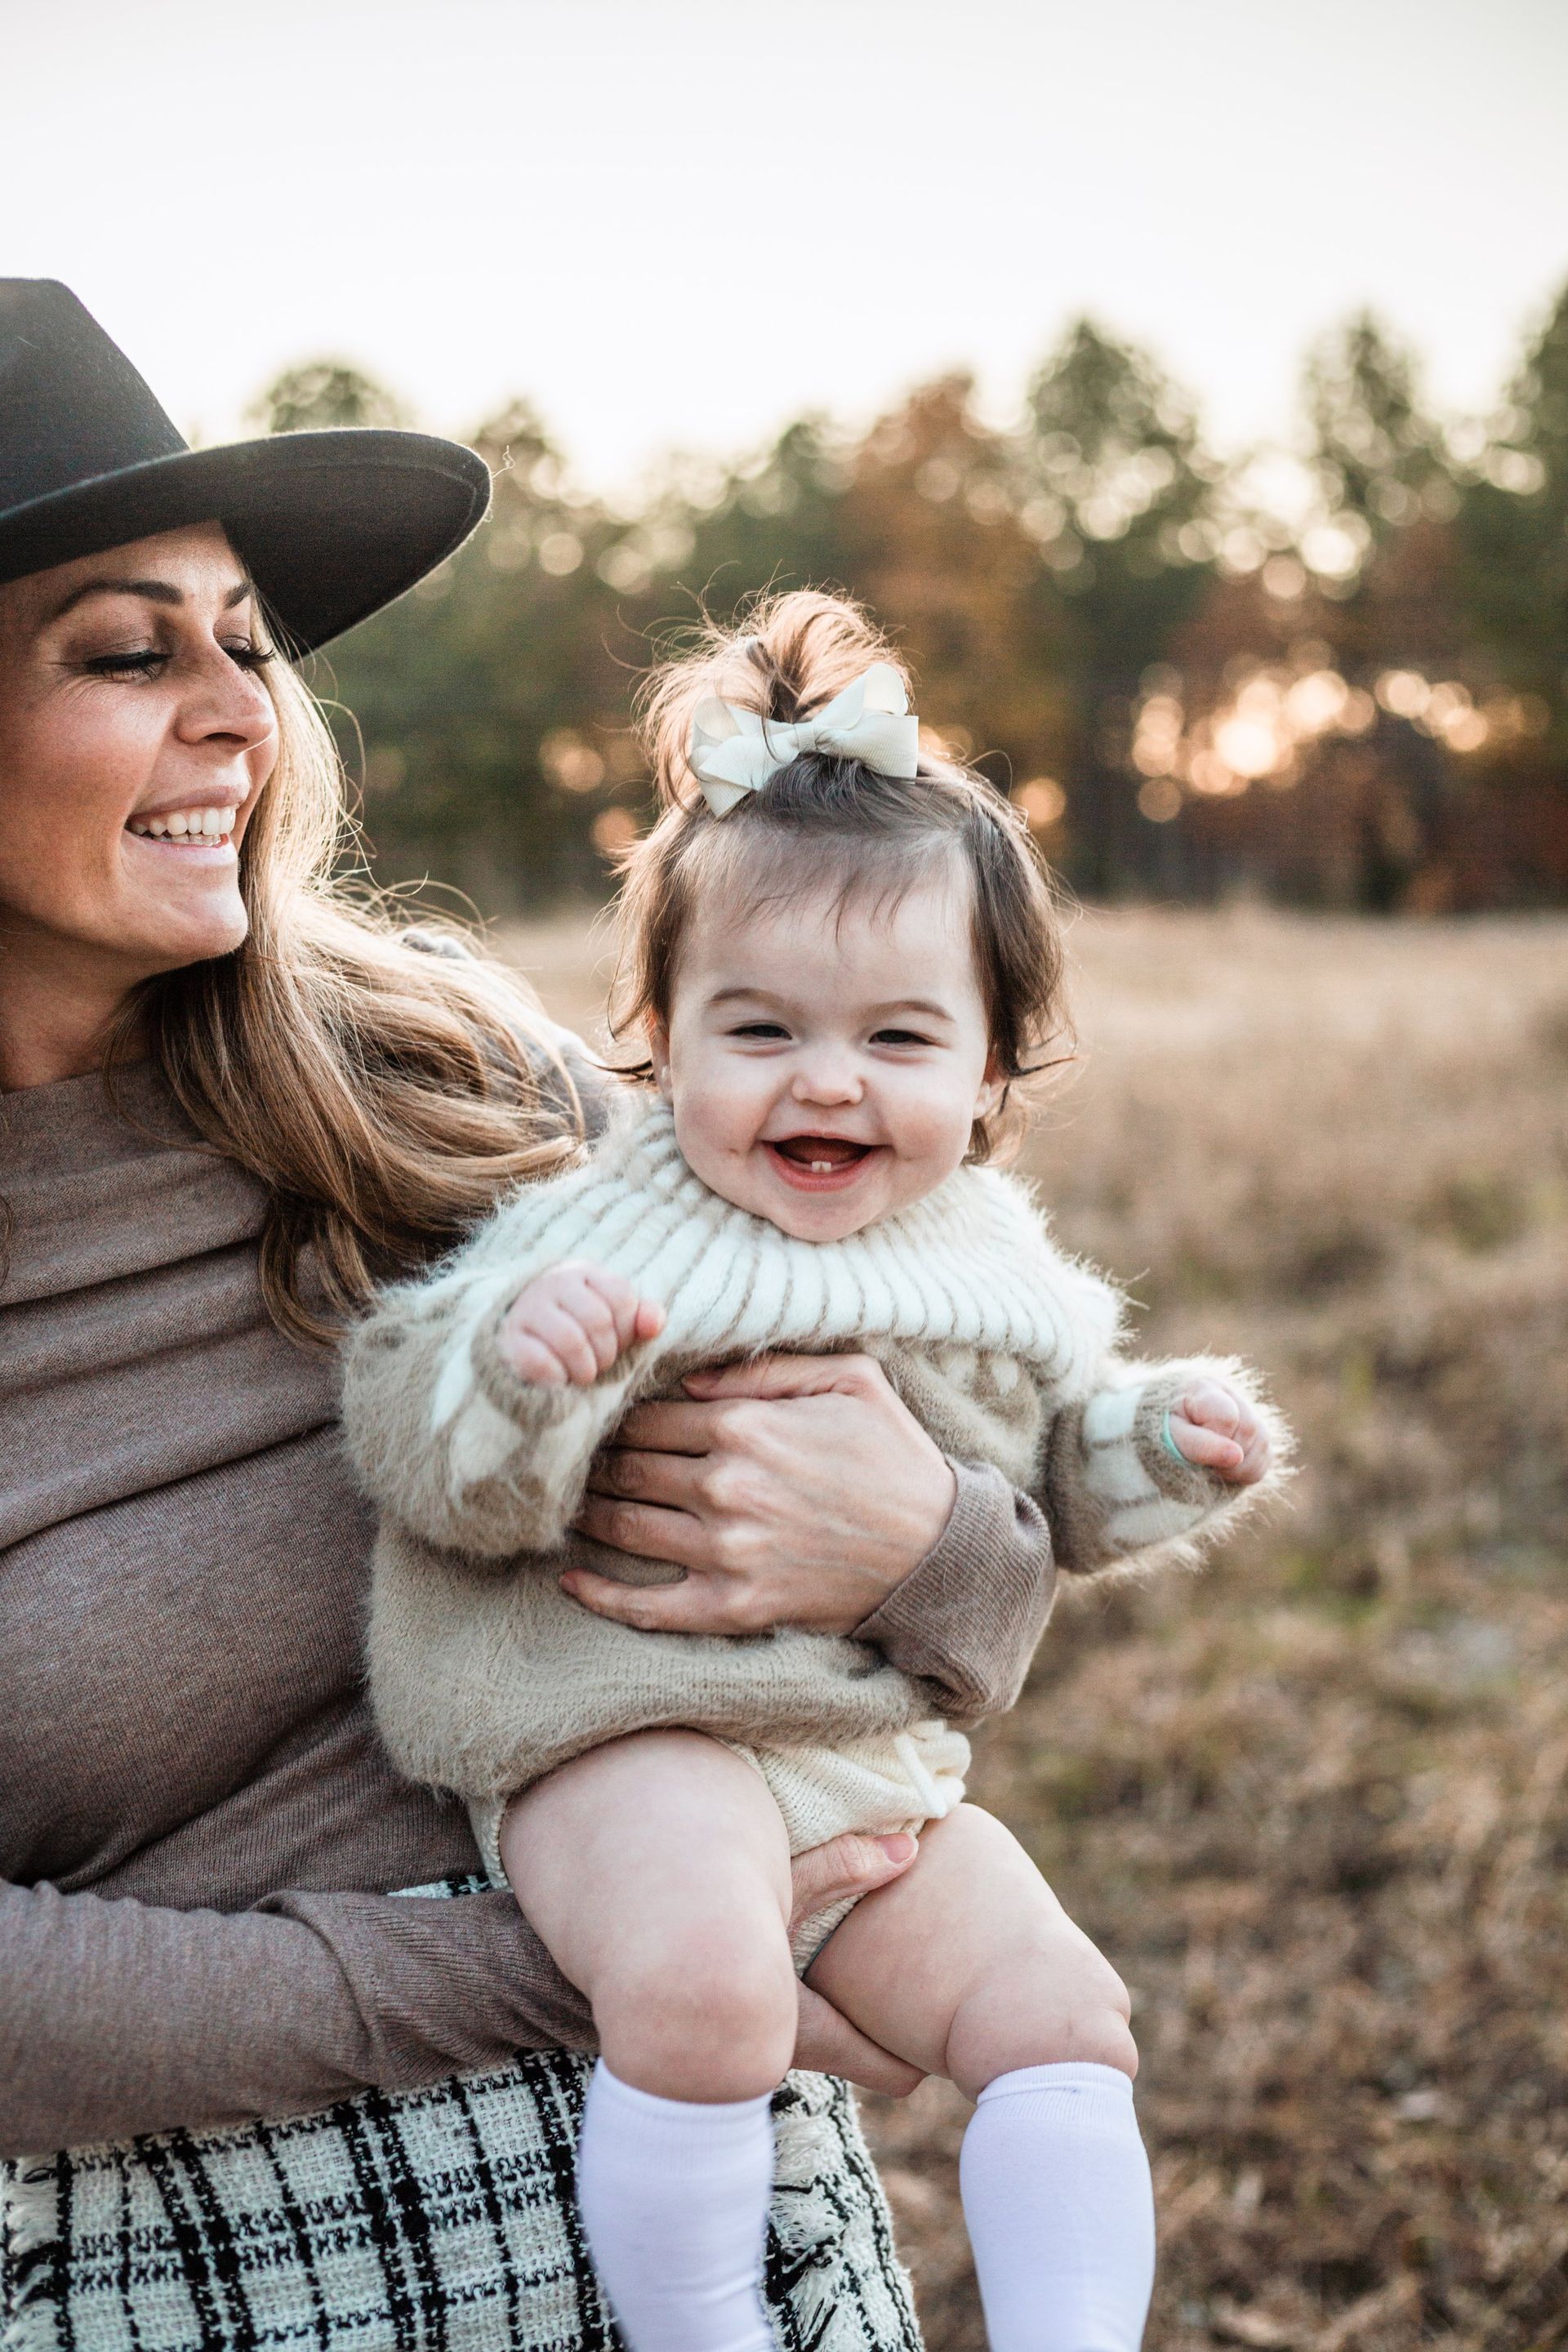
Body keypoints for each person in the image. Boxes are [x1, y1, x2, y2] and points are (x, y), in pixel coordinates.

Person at [0, 285, 1080, 2351]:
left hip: (729, 2198)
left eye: (248, 642)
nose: (241, 710)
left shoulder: (454, 1082)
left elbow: (958, 1484)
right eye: (128, 651)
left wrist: (931, 1549)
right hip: (190, 2270)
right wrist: (623, 1956)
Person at [343, 592, 1290, 2352]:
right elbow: (417, 1439)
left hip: (865, 1767)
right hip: (617, 1736)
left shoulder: (989, 1261)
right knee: (706, 1993)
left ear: (997, 1061)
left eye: (900, 1039)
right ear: (662, 1034)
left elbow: (1052, 1490)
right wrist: (519, 1363)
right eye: (760, 1030)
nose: (826, 1083)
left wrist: (1161, 1445)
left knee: (1065, 2016)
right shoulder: (600, 1227)